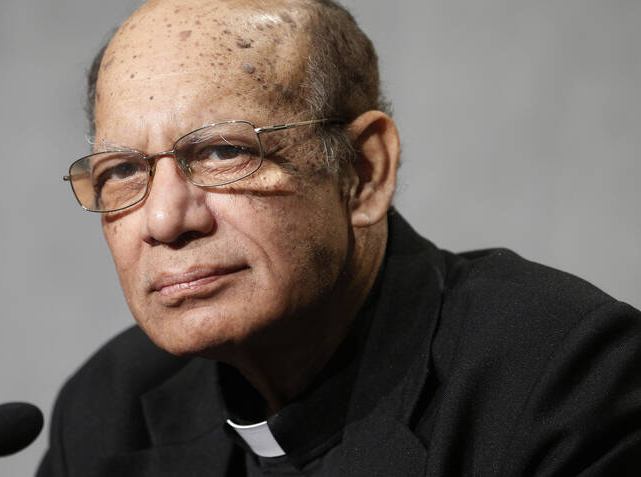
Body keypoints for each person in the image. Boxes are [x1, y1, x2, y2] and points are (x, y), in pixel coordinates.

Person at [38, 0, 641, 475]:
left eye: (225, 151)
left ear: (362, 172)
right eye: (121, 171)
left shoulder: (564, 378)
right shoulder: (107, 409)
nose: (166, 221)